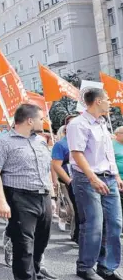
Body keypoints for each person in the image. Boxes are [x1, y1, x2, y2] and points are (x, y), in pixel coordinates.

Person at [0, 104, 57, 280]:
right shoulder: (3, 141)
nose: (44, 121)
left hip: (44, 196)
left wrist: (53, 197)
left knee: (41, 242)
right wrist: (2, 201)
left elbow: (45, 169)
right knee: (24, 246)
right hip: (20, 197)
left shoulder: (40, 140)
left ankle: (34, 273)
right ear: (29, 120)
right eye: (41, 118)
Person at [67, 88, 123, 280]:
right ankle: (85, 266)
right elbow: (76, 153)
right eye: (107, 99)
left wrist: (115, 175)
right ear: (98, 101)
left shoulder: (102, 123)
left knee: (115, 223)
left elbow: (108, 153)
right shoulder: (78, 124)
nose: (110, 102)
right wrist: (93, 177)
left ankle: (106, 266)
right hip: (87, 178)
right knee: (94, 224)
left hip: (108, 177)